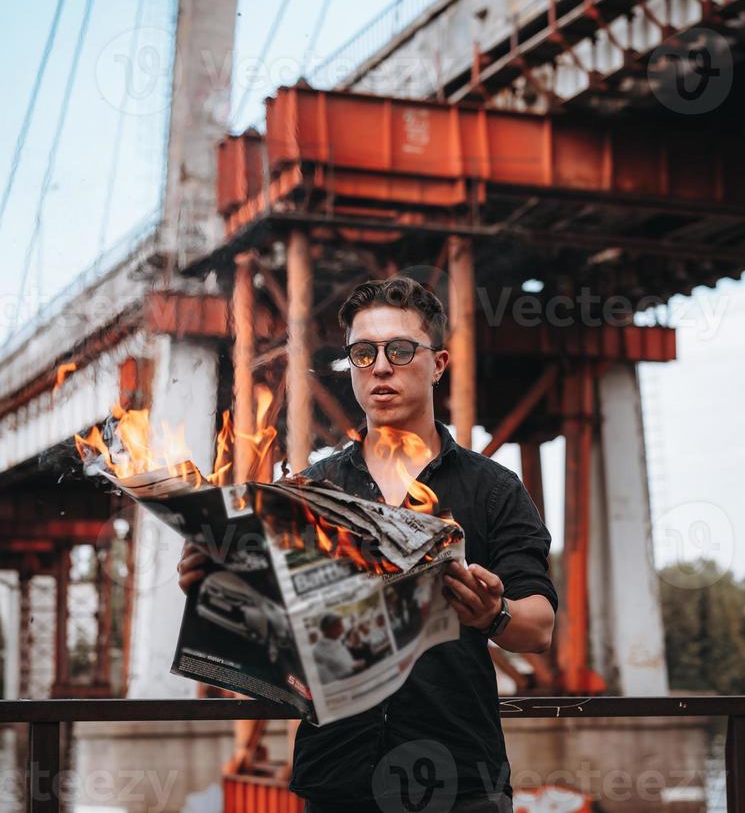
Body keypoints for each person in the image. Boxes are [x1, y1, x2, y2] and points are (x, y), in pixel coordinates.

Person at [179, 276, 558, 813]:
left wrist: (493, 615)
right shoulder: (311, 491)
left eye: (401, 350)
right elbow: (277, 636)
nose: (380, 366)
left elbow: (538, 627)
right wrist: (218, 588)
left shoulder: (494, 489)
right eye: (362, 353)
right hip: (337, 784)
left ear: (439, 363)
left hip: (459, 784)